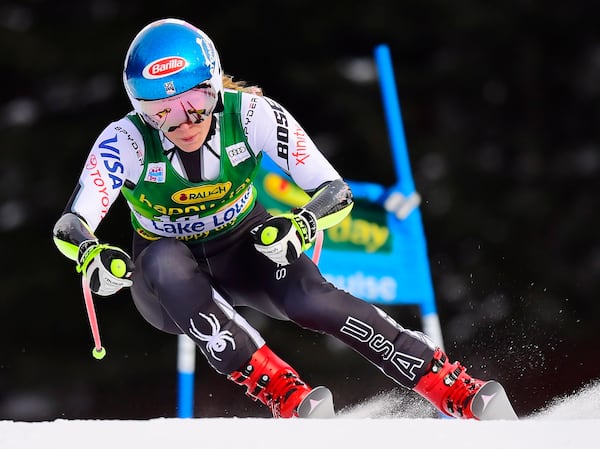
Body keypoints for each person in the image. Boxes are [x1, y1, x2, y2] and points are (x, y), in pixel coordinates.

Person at [52, 18, 517, 420]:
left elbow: (334, 192)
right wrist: (91, 253)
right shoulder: (126, 141)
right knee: (164, 260)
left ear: (214, 87)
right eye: (162, 114)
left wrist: (304, 223)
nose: (184, 123)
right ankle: (285, 393)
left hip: (244, 248)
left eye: (194, 103)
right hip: (166, 283)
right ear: (140, 112)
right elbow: (72, 223)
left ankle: (448, 384)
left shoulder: (252, 114)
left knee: (311, 298)